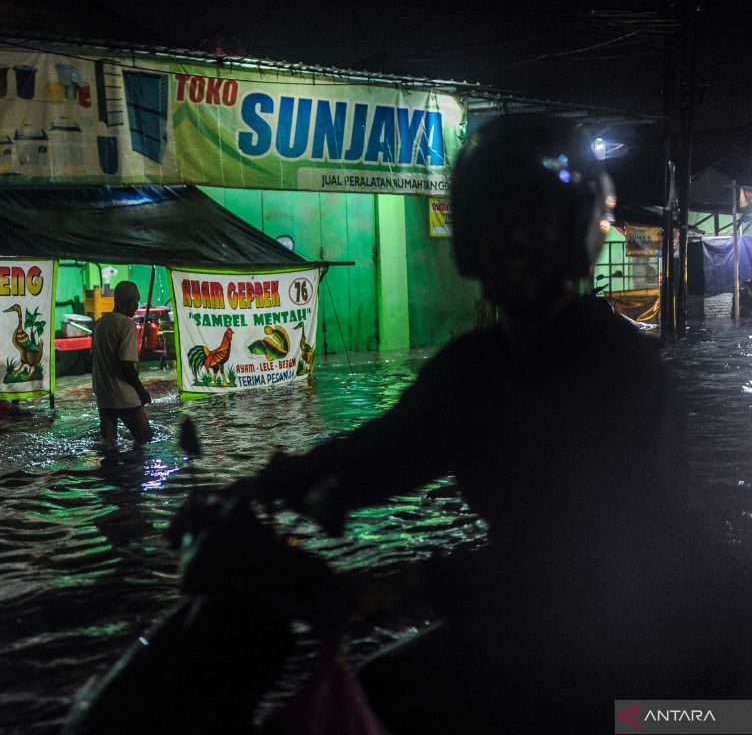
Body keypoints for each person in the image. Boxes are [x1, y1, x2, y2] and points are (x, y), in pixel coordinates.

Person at [236, 115, 750, 731]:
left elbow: (581, 550)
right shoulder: (474, 367)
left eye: (537, 220)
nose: (515, 243)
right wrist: (260, 489)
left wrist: (410, 584)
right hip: (536, 633)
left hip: (648, 667)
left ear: (572, 234)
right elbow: (384, 452)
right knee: (380, 692)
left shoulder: (613, 364)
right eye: (497, 221)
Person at [91, 280, 153, 444]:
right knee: (146, 438)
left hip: (104, 396)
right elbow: (126, 363)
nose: (136, 307)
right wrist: (141, 391)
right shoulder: (127, 324)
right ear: (129, 303)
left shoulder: (99, 324)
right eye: (135, 303)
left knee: (109, 446)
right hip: (124, 395)